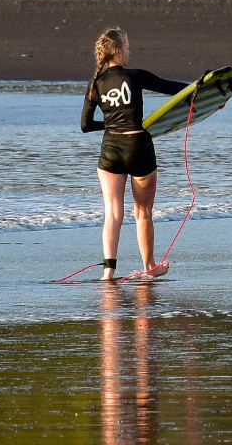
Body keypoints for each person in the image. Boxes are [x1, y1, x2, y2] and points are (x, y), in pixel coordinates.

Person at [83, 28, 190, 282]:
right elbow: (173, 89)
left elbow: (86, 125)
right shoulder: (136, 76)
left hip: (111, 151)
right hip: (138, 147)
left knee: (113, 213)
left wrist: (111, 125)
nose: (130, 52)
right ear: (118, 52)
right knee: (142, 212)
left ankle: (108, 271)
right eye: (128, 47)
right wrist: (205, 89)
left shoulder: (94, 84)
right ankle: (149, 266)